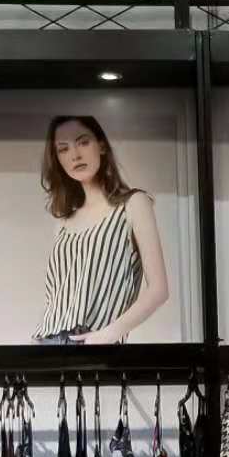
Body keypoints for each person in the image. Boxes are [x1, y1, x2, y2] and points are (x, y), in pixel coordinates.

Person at [32, 116, 170, 345]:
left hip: (95, 343)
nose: (75, 155)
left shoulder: (133, 204)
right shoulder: (64, 223)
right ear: (58, 160)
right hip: (45, 344)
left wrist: (109, 334)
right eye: (63, 149)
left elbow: (159, 290)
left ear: (102, 146)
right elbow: (56, 298)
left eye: (83, 142)